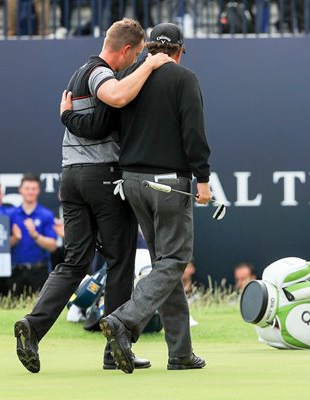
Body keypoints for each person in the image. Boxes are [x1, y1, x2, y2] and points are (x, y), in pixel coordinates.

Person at [13, 18, 173, 374]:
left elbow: (95, 121)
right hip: (102, 178)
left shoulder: (77, 73)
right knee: (120, 262)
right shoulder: (101, 73)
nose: (132, 65)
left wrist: (68, 117)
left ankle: (33, 326)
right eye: (134, 58)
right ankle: (116, 349)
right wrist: (150, 64)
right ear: (128, 50)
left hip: (70, 178)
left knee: (75, 261)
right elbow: (115, 96)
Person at [97, 22, 212, 374]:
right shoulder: (183, 78)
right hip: (168, 184)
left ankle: (180, 352)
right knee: (175, 260)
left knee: (165, 262)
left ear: (148, 48)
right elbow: (193, 133)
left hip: (132, 181)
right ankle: (124, 320)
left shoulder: (129, 76)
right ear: (178, 51)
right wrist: (203, 179)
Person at [6, 174, 57, 296]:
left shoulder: (46, 215)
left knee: (38, 311)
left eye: (33, 189)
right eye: (27, 188)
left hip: (39, 272)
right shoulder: (10, 215)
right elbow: (1, 245)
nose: (30, 192)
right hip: (15, 272)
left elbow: (53, 246)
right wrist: (14, 238)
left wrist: (35, 235)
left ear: (38, 190)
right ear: (20, 190)